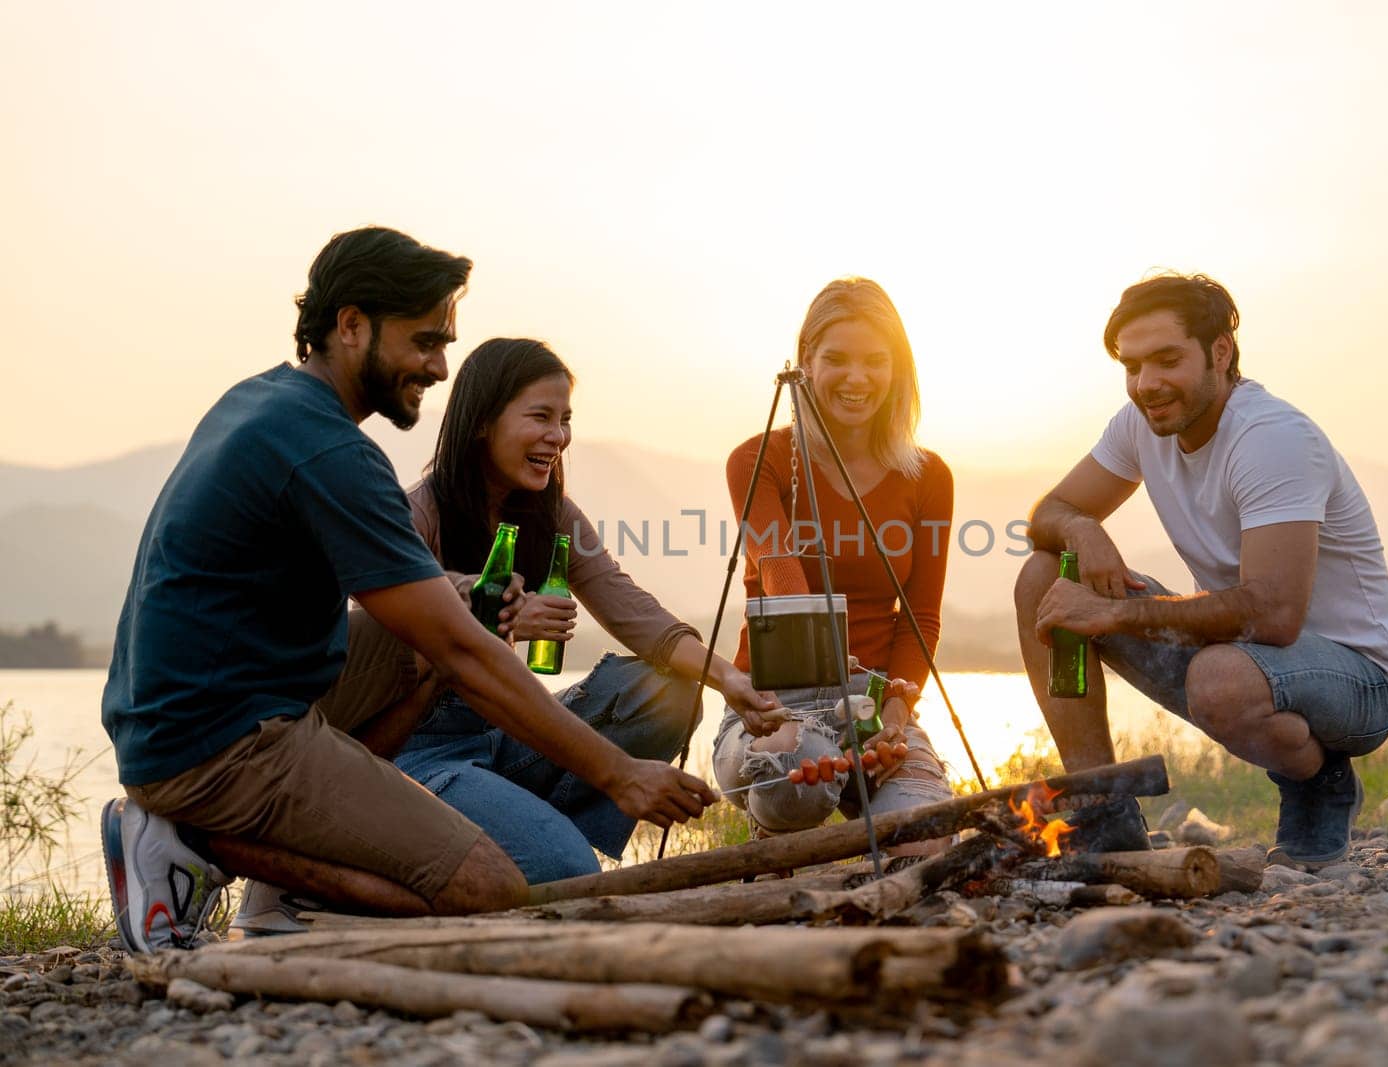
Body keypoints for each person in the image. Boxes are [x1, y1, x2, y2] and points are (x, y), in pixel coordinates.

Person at [100, 227, 715, 953]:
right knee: (492, 890)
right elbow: (462, 652)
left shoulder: (265, 401)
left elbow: (440, 629)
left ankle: (325, 841)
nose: (440, 365)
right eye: (425, 342)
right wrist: (620, 774)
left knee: (437, 626)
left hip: (192, 715)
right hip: (221, 748)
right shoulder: (334, 454)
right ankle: (193, 844)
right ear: (351, 325)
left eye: (446, 343)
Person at [346, 338, 784, 889]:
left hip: (504, 736)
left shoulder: (550, 512)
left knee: (669, 692)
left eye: (566, 420)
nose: (558, 437)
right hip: (422, 756)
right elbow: (387, 612)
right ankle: (530, 841)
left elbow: (628, 606)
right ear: (482, 422)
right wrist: (499, 614)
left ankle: (530, 823)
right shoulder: (419, 513)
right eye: (541, 417)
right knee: (564, 870)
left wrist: (728, 679)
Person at [1014, 273, 1388, 869]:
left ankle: (1321, 779)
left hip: (1357, 678)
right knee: (1042, 577)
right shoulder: (1139, 423)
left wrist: (1113, 613)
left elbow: (1274, 615)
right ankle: (1104, 807)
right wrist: (1083, 528)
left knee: (1220, 680)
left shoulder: (1270, 437)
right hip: (1235, 654)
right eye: (1132, 366)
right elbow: (1050, 513)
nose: (1147, 384)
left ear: (1219, 353)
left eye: (1167, 360)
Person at [712, 278, 956, 853]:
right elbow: (783, 575)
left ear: (899, 369)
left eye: (876, 360)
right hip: (773, 709)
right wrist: (832, 699)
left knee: (924, 841)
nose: (857, 377)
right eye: (836, 360)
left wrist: (894, 718)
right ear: (805, 364)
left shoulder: (929, 477)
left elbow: (920, 617)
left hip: (875, 707)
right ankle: (772, 828)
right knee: (799, 778)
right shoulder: (759, 460)